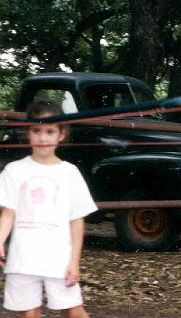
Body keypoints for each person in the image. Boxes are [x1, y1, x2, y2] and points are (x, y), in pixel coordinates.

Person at [0, 100, 97, 318]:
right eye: (37, 131)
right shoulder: (14, 170)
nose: (43, 138)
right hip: (22, 258)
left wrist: (74, 261)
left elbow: (76, 220)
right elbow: (8, 212)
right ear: (28, 133)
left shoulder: (69, 173)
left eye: (50, 131)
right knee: (29, 313)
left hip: (58, 259)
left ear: (61, 134)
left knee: (73, 311)